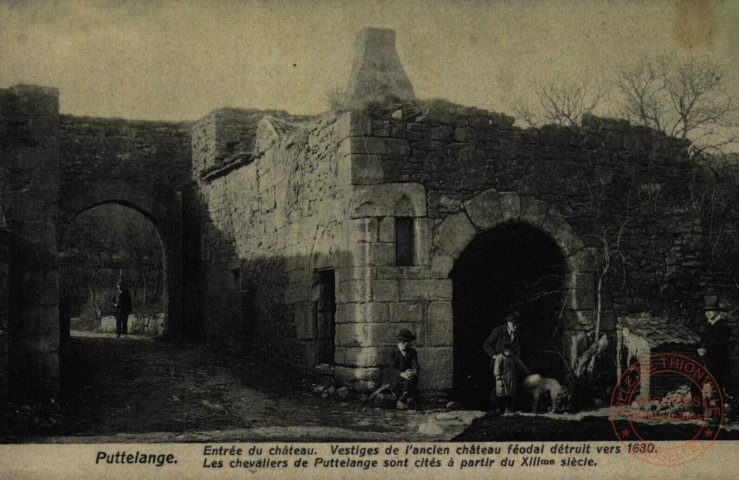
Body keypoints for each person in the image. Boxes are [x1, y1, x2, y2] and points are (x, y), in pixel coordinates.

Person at [698, 309, 732, 391]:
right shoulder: (707, 326)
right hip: (705, 362)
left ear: (717, 312)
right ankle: (697, 404)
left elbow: (721, 345)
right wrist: (700, 349)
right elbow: (703, 341)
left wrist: (707, 350)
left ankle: (721, 403)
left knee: (716, 388)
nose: (708, 313)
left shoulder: (723, 326)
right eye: (706, 311)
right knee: (695, 383)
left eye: (711, 310)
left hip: (718, 363)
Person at [494, 341, 529, 415]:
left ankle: (507, 409)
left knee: (509, 395)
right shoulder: (499, 357)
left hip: (511, 379)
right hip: (502, 379)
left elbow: (521, 364)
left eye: (511, 351)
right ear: (504, 350)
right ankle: (498, 409)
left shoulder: (514, 357)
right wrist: (498, 377)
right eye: (508, 351)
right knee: (500, 394)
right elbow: (497, 368)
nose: (510, 352)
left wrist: (526, 371)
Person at [388, 328, 421, 409]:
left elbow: (416, 366)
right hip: (397, 381)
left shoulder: (412, 352)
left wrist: (413, 372)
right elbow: (392, 369)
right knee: (406, 379)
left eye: (409, 342)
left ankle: (405, 396)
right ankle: (404, 396)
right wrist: (402, 374)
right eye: (404, 342)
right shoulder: (393, 352)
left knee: (410, 376)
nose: (407, 344)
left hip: (409, 379)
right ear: (401, 342)